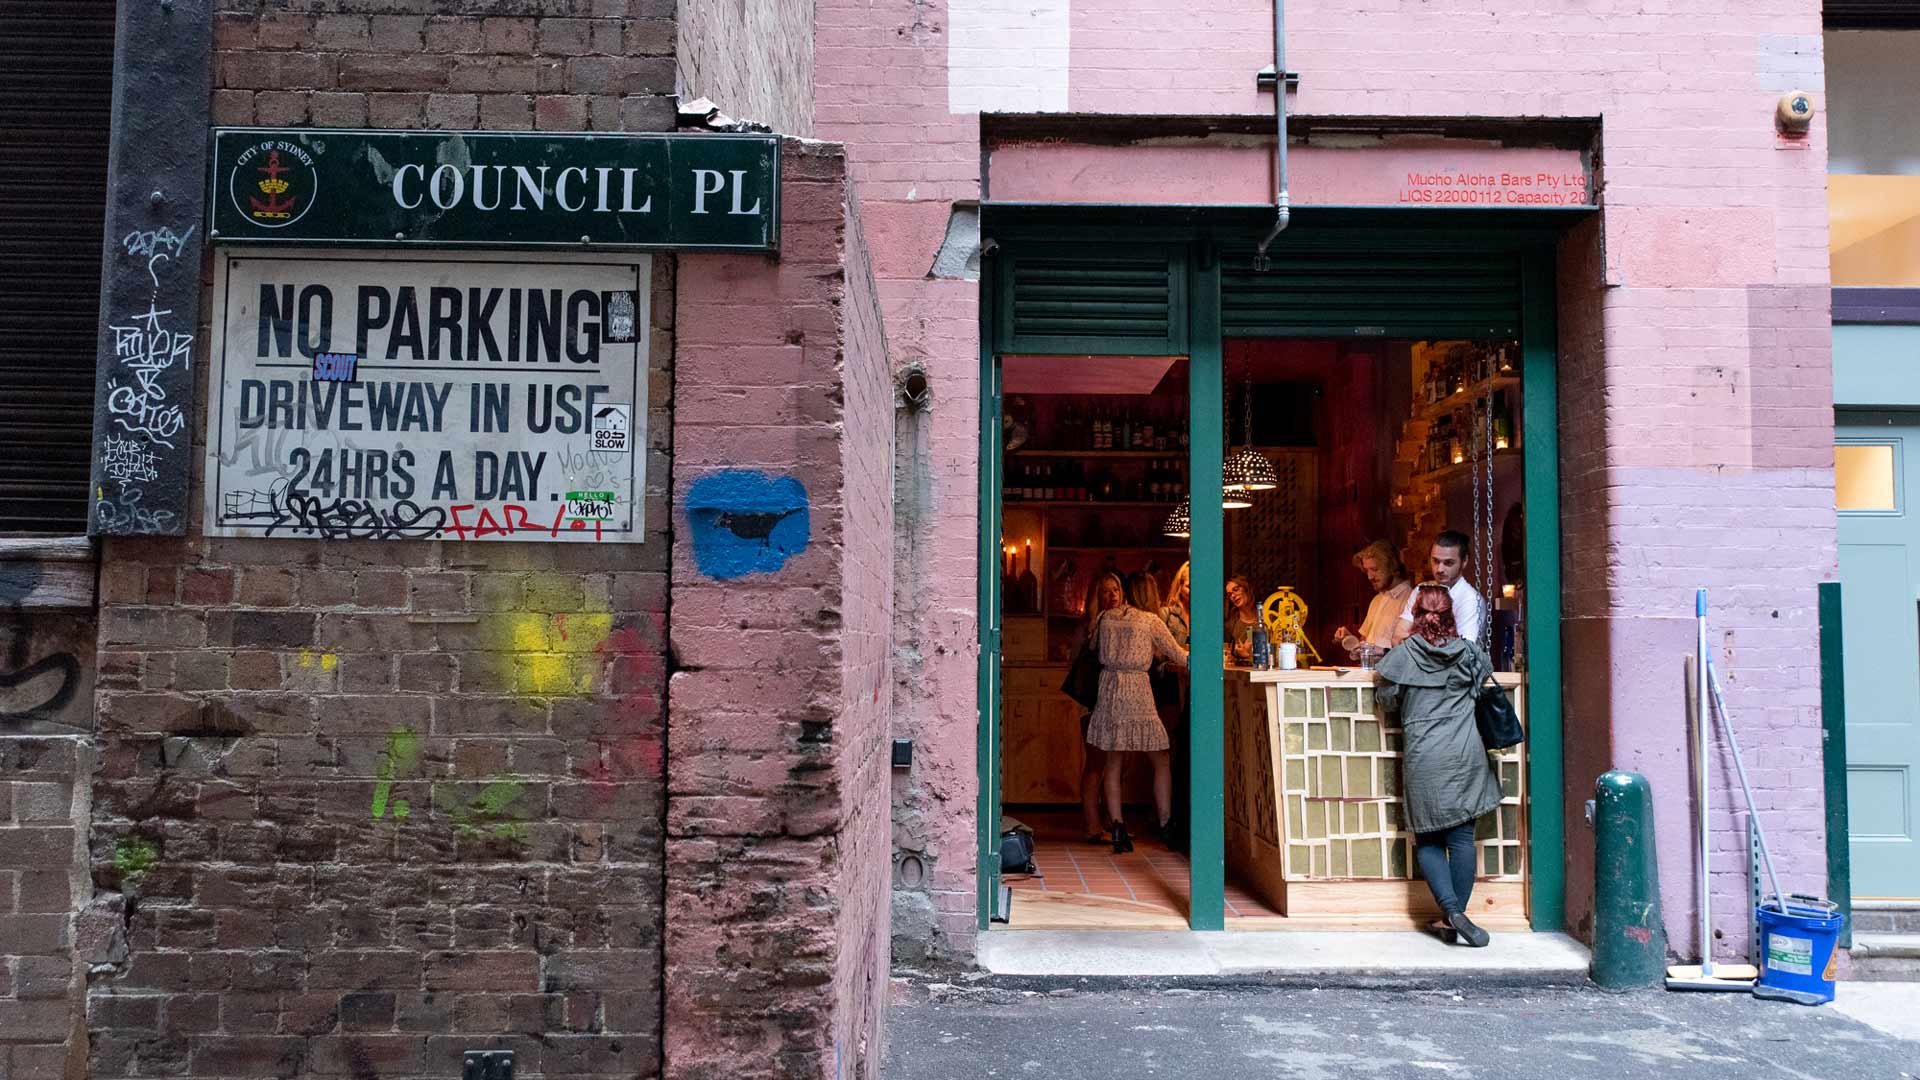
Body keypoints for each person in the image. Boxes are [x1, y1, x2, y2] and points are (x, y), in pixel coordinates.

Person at [1375, 584, 1502, 948]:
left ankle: (1451, 912)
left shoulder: (1405, 655)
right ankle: (1453, 919)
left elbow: (1386, 701)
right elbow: (1485, 680)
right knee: (1462, 838)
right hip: (1466, 754)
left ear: (1416, 615)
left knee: (1428, 837)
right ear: (1451, 616)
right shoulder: (1468, 653)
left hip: (1425, 756)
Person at [1088, 570, 1189, 853]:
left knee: (1113, 762)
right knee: (1160, 758)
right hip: (1137, 690)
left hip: (1109, 688)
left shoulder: (1105, 618)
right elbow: (1179, 655)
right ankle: (1167, 823)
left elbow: (1093, 646)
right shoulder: (1151, 621)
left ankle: (1118, 827)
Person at [1076, 571, 1126, 843]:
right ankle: (1093, 825)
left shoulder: (1125, 622)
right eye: (1106, 591)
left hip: (1115, 703)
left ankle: (1113, 820)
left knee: (1116, 765)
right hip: (1092, 703)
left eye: (1116, 590)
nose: (1112, 596)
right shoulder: (1090, 626)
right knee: (1095, 763)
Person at [1392, 530, 1485, 647]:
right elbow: (1397, 638)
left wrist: (1415, 648)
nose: (1439, 569)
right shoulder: (1421, 590)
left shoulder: (1470, 599)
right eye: (1435, 561)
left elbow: (1463, 651)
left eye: (1448, 563)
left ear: (1464, 561)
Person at [1156, 563, 1193, 852]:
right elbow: (1156, 656)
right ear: (1178, 586)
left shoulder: (1210, 610)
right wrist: (1175, 664)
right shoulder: (1166, 614)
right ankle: (1172, 821)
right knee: (1172, 750)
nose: (1191, 589)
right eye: (1187, 583)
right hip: (1172, 686)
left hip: (1197, 688)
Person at [1334, 540, 1413, 663]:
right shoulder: (1377, 600)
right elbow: (1366, 644)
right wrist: (1350, 639)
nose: (1369, 576)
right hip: (1369, 675)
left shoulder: (1411, 598)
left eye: (1375, 569)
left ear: (1392, 567)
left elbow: (1410, 653)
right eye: (1367, 571)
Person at [1224, 575, 1261, 663]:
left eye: (1236, 589)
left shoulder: (1268, 618)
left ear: (1247, 588)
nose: (1233, 595)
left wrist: (1247, 656)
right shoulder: (1230, 624)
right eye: (1229, 594)